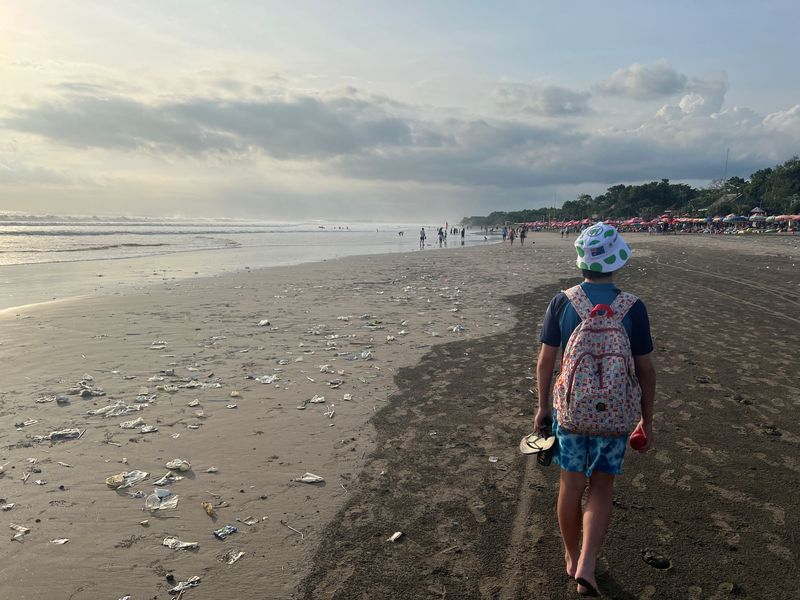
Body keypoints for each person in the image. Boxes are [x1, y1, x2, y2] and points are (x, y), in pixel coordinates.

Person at [534, 222, 656, 597]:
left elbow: (545, 363)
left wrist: (542, 409)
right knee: (601, 485)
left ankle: (571, 556)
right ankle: (588, 563)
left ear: (581, 261)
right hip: (615, 415)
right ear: (617, 260)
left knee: (570, 485)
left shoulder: (562, 302)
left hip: (570, 412)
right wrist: (645, 420)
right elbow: (645, 369)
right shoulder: (633, 307)